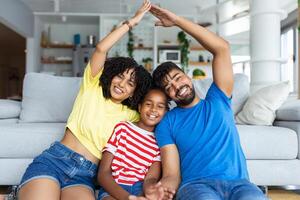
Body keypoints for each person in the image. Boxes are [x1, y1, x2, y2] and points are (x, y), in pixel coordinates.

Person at [18, 1, 152, 200]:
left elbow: (157, 110)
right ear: (111, 74)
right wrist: (132, 22)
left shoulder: (131, 115)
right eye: (120, 76)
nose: (122, 83)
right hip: (55, 159)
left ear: (134, 93)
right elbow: (101, 48)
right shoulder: (93, 85)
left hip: (85, 175)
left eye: (130, 83)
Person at [150, 4, 268, 200]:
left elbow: (222, 48)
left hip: (239, 184)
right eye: (169, 86)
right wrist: (165, 188)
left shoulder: (218, 98)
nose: (177, 86)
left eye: (177, 77)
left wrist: (177, 21)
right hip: (197, 187)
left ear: (187, 76)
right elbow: (171, 173)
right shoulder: (167, 123)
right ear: (168, 96)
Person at [97, 88, 169, 200]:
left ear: (165, 113)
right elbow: (103, 174)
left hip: (138, 190)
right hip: (114, 186)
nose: (153, 109)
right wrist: (128, 198)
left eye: (160, 106)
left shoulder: (160, 143)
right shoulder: (122, 129)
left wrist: (151, 190)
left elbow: (150, 179)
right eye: (148, 104)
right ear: (140, 107)